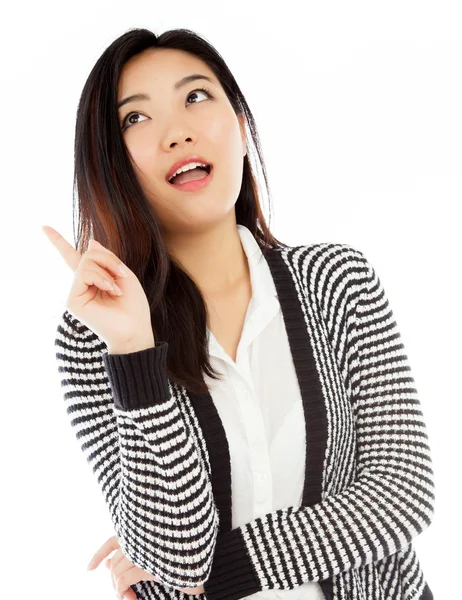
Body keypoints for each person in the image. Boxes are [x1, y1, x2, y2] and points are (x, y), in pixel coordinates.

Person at [43, 27, 435, 600]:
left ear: (242, 129)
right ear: (113, 164)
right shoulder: (93, 338)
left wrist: (221, 571)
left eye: (196, 97)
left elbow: (403, 492)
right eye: (135, 118)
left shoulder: (337, 280)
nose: (177, 132)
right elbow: (174, 551)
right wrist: (134, 353)